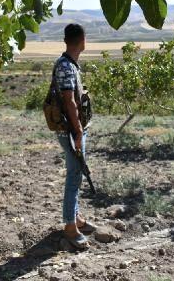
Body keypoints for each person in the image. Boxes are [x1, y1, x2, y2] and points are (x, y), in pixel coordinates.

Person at [53, 23, 95, 249]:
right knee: (73, 177)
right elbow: (69, 101)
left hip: (72, 129)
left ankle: (75, 218)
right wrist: (78, 132)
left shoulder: (69, 64)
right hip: (70, 130)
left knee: (77, 174)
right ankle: (70, 227)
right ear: (82, 40)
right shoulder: (66, 66)